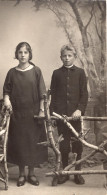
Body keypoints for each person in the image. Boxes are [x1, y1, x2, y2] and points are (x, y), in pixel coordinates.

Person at [3, 42, 48, 187]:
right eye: (20, 52)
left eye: (25, 52)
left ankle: (32, 173)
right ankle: (22, 174)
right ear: (16, 54)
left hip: (33, 114)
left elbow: (42, 93)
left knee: (33, 143)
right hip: (18, 115)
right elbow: (6, 91)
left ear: (30, 54)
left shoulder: (36, 71)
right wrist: (6, 100)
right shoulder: (11, 72)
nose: (23, 55)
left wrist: (41, 110)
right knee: (20, 143)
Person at [50, 44, 88, 185]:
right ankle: (65, 172)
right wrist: (52, 115)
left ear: (74, 57)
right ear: (61, 57)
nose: (66, 58)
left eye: (69, 55)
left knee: (77, 144)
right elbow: (52, 96)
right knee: (64, 145)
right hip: (61, 117)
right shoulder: (56, 73)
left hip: (75, 116)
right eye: (64, 56)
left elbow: (84, 94)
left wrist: (79, 109)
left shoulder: (80, 73)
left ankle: (77, 172)